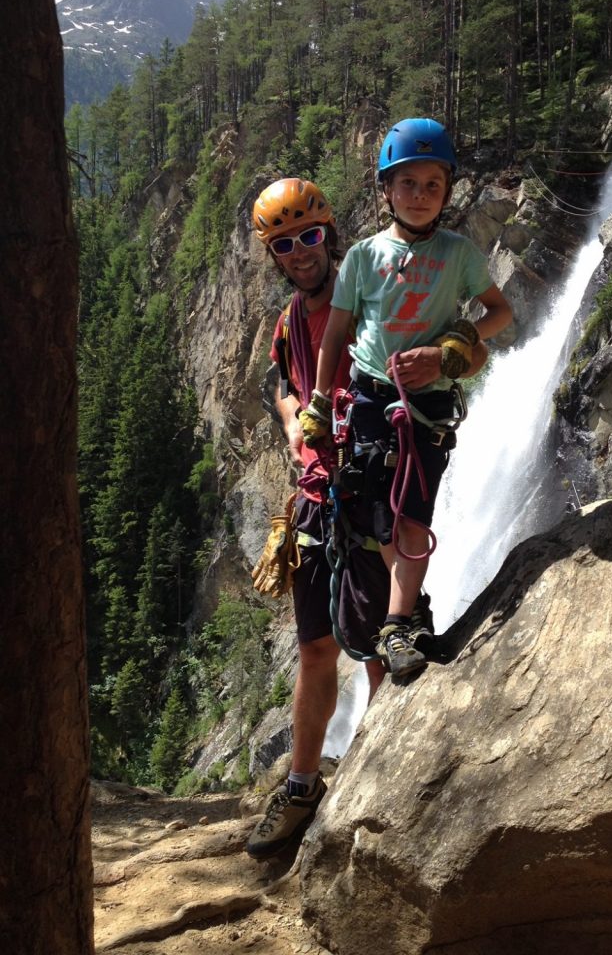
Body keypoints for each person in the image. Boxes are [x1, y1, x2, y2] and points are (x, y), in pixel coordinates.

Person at [300, 118, 513, 678]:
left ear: (447, 191)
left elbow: (500, 312)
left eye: (433, 185)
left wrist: (451, 349)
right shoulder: (364, 258)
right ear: (387, 189)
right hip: (371, 401)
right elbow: (337, 334)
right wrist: (320, 403)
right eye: (408, 184)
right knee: (377, 517)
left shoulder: (459, 255)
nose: (420, 196)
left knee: (410, 514)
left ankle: (397, 628)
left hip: (429, 406)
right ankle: (410, 612)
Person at [245, 177, 390, 859]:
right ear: (273, 254)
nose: (300, 253)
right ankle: (304, 786)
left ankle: (391, 776)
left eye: (308, 238)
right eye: (285, 244)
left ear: (327, 235)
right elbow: (281, 382)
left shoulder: (361, 296)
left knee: (381, 641)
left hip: (365, 486)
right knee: (315, 647)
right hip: (315, 491)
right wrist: (290, 424)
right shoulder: (287, 321)